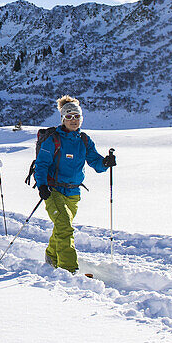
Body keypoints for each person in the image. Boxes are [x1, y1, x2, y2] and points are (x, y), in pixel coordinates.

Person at [33, 95, 115, 273]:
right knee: (65, 226)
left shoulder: (83, 140)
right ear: (62, 119)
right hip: (53, 190)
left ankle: (51, 256)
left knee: (61, 226)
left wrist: (106, 163)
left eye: (76, 116)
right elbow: (41, 164)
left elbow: (95, 162)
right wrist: (42, 186)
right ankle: (68, 269)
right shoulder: (53, 139)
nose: (73, 120)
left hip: (73, 193)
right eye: (69, 117)